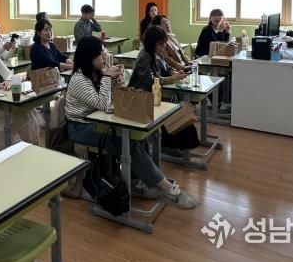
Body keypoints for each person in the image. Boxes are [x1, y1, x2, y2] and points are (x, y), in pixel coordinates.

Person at [65, 36, 197, 209]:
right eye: (100, 54)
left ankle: (137, 182)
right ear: (89, 57)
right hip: (80, 127)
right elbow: (103, 104)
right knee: (126, 142)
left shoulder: (95, 73)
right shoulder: (79, 79)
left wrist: (117, 82)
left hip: (99, 121)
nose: (103, 57)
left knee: (137, 136)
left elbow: (110, 99)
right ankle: (165, 187)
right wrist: (107, 77)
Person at [129, 26, 200, 152]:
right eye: (160, 44)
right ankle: (169, 146)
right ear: (151, 43)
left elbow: (167, 67)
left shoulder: (156, 53)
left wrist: (175, 72)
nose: (163, 47)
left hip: (153, 94)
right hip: (141, 97)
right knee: (172, 112)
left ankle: (175, 145)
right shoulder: (144, 57)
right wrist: (172, 78)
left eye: (164, 44)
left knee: (177, 109)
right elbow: (151, 80)